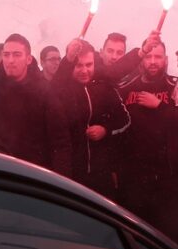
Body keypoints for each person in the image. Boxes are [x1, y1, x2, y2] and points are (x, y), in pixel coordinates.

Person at [118, 41, 178, 239]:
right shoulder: (126, 87)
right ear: (142, 59)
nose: (153, 61)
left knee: (166, 234)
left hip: (167, 176)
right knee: (135, 233)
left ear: (165, 60)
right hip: (134, 176)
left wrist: (160, 106)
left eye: (158, 57)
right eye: (148, 57)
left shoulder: (176, 86)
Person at [0, 34, 71, 176]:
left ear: (28, 59)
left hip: (35, 175)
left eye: (17, 55)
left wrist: (60, 180)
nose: (10, 60)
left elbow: (60, 142)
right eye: (6, 55)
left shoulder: (45, 92)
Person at [52, 40, 131, 198]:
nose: (84, 70)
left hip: (101, 173)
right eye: (78, 65)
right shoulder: (61, 91)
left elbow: (125, 119)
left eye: (89, 65)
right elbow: (55, 85)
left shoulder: (105, 88)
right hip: (71, 173)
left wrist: (105, 129)